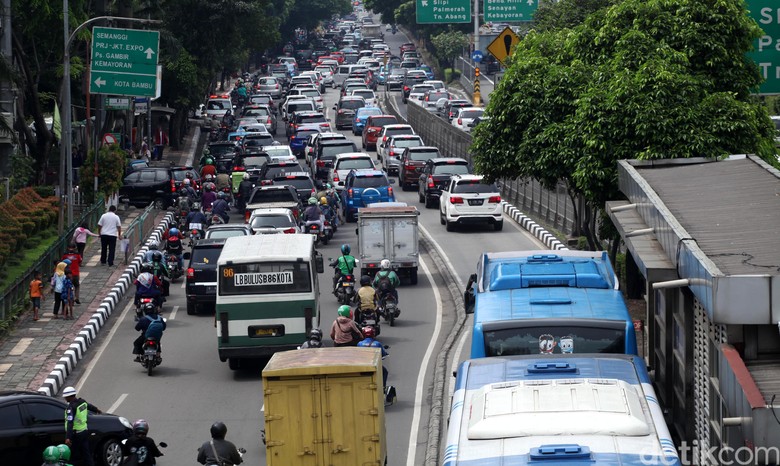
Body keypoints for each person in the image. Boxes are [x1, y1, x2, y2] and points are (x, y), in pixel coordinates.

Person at [63, 386, 101, 466]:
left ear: (70, 396)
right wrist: (97, 410)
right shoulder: (82, 402)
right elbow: (89, 406)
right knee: (86, 454)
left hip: (76, 434)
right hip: (84, 431)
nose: (65, 399)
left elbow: (70, 423)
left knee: (71, 456)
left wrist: (68, 438)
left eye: (66, 397)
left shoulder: (71, 407)